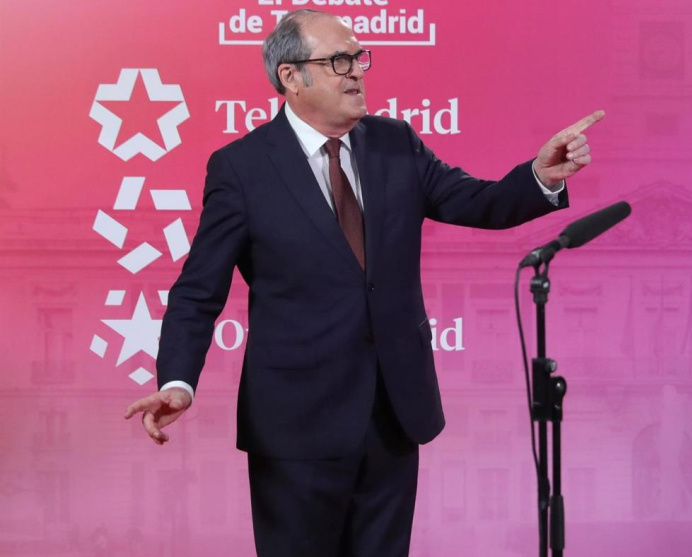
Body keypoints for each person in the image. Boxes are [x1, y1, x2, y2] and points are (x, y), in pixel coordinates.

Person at [124, 9, 603, 557]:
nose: (356, 71)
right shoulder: (241, 168)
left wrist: (540, 176)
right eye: (338, 61)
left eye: (358, 58)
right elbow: (197, 291)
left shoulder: (395, 143)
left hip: (393, 414)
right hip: (296, 425)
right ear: (290, 76)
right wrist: (178, 381)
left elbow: (478, 201)